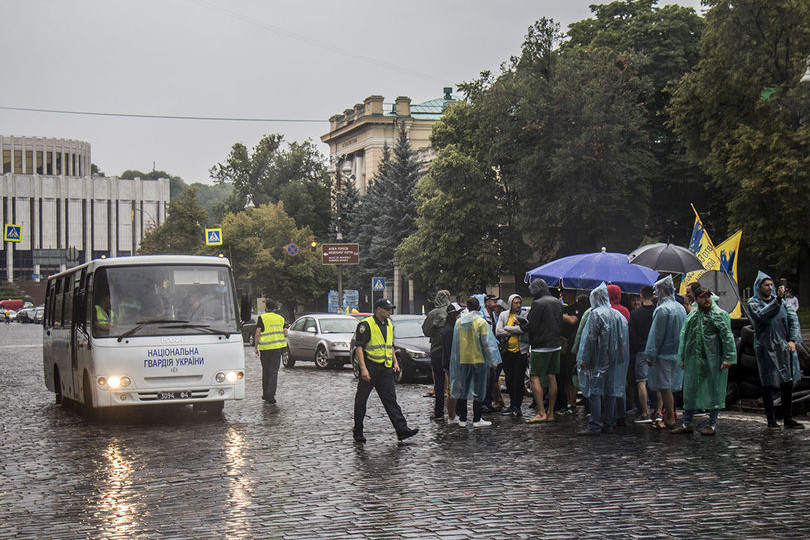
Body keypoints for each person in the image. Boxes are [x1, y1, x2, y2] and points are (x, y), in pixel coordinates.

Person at [671, 286, 736, 436]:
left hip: (714, 360)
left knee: (714, 390)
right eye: (702, 297)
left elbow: (727, 338)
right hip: (694, 360)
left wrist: (728, 358)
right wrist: (682, 358)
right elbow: (685, 337)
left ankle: (712, 423)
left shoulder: (719, 315)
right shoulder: (693, 316)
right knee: (691, 391)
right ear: (696, 298)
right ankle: (687, 422)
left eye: (708, 296)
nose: (706, 299)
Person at [353, 299, 419, 442]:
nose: (390, 312)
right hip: (370, 368)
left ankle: (401, 430)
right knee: (361, 401)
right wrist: (363, 369)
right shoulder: (366, 325)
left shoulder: (389, 324)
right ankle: (358, 431)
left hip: (385, 369)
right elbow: (359, 347)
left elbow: (390, 346)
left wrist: (395, 362)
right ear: (378, 309)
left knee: (391, 400)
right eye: (387, 309)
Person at [748, 272, 804, 429]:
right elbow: (762, 317)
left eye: (771, 284)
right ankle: (771, 420)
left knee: (787, 382)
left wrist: (792, 340)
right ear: (759, 287)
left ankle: (788, 418)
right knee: (768, 383)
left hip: (785, 347)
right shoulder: (754, 303)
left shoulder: (782, 302)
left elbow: (793, 319)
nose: (770, 287)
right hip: (766, 347)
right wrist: (778, 300)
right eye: (766, 285)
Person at [576, 283, 629, 435]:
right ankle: (609, 423)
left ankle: (595, 424)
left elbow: (591, 339)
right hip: (614, 359)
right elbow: (623, 338)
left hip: (599, 358)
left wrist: (585, 359)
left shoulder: (596, 314)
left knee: (595, 391)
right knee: (611, 390)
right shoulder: (617, 314)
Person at [450, 296, 501, 427]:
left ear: (467, 307)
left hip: (463, 359)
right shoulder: (481, 322)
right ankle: (477, 419)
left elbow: (456, 343)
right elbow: (485, 343)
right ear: (479, 308)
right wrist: (492, 360)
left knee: (463, 389)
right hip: (478, 359)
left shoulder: (460, 322)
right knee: (478, 389)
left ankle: (462, 418)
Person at [645, 276, 687, 430]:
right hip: (677, 353)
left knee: (664, 387)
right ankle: (669, 414)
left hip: (663, 354)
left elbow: (656, 335)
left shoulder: (662, 310)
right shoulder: (680, 308)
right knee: (669, 386)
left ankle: (669, 417)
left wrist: (650, 355)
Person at [524, 278, 563, 424]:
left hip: (540, 346)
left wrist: (521, 324)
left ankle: (541, 412)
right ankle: (551, 412)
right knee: (551, 376)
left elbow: (531, 326)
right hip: (555, 344)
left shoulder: (538, 303)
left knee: (534, 377)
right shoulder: (556, 302)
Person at [496, 294, 529, 417]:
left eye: (519, 302)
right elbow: (498, 331)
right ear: (510, 303)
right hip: (507, 352)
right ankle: (512, 404)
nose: (518, 305)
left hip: (520, 352)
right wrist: (515, 329)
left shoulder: (524, 315)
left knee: (518, 380)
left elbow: (524, 329)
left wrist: (509, 328)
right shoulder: (504, 315)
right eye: (515, 303)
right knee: (509, 380)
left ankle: (517, 406)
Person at [422, 290, 451, 420]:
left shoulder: (434, 313)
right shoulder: (453, 311)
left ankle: (439, 412)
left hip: (437, 351)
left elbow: (426, 330)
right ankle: (458, 413)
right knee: (454, 382)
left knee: (439, 383)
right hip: (452, 351)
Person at [628, 285, 655, 423]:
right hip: (655, 350)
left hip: (641, 350)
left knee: (641, 382)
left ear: (642, 295)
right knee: (656, 381)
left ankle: (644, 412)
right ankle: (658, 409)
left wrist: (635, 347)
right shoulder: (657, 312)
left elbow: (632, 334)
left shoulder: (635, 314)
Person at [254, 299, 287, 404]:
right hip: (277, 349)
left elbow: (258, 333)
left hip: (265, 350)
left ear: (266, 308)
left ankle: (265, 394)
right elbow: (286, 333)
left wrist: (256, 347)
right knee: (273, 372)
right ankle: (271, 395)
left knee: (266, 371)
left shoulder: (262, 318)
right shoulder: (281, 318)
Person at [558, 289, 586, 414]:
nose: (564, 297)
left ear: (572, 295)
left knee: (571, 378)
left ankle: (572, 404)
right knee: (564, 377)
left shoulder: (578, 308)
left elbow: (573, 320)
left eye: (566, 294)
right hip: (562, 347)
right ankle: (566, 402)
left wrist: (558, 312)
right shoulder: (563, 309)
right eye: (562, 294)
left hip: (573, 347)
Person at [443, 302, 463, 424]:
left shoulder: (453, 328)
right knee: (452, 390)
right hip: (451, 364)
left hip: (453, 363)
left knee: (455, 389)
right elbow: (450, 350)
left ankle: (454, 414)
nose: (460, 316)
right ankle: (451, 416)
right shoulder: (448, 331)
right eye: (458, 314)